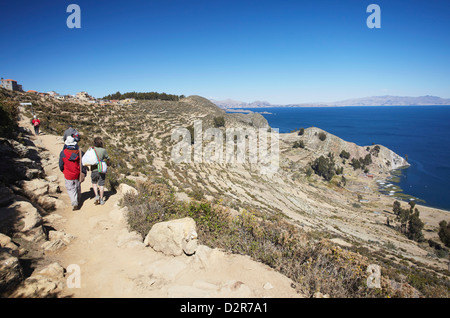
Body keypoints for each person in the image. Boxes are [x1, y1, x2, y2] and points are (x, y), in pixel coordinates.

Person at [59, 136, 86, 210]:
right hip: (77, 172)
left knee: (70, 188)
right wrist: (84, 171)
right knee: (77, 187)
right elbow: (82, 163)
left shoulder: (63, 153)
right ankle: (78, 199)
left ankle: (74, 201)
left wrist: (63, 170)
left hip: (68, 173)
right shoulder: (79, 152)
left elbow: (61, 164)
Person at [90, 136, 110, 205]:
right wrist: (107, 164)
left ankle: (96, 195)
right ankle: (101, 199)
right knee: (101, 184)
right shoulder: (103, 150)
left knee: (94, 183)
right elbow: (108, 158)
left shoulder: (92, 149)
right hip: (101, 169)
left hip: (94, 169)